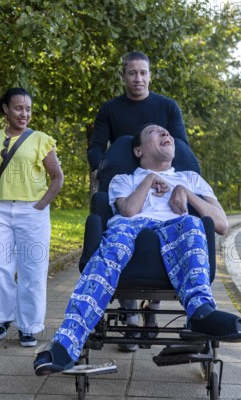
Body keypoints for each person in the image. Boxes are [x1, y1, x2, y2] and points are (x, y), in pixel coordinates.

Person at [33, 125, 241, 375]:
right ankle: (66, 342)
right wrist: (148, 179)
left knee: (193, 223)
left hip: (177, 231)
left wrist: (185, 192)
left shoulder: (191, 178)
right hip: (131, 229)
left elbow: (221, 224)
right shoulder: (124, 179)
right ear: (138, 150)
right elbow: (129, 211)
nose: (166, 135)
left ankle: (201, 312)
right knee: (115, 241)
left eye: (168, 133)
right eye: (155, 133)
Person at [87, 51, 190, 350]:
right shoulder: (109, 110)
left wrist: (179, 186)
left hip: (162, 180)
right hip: (124, 179)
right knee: (122, 236)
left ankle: (152, 311)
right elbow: (96, 146)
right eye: (132, 73)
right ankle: (131, 317)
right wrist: (100, 170)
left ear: (150, 75)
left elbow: (180, 146)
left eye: (143, 73)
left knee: (162, 235)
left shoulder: (167, 107)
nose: (138, 78)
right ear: (123, 76)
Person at [0, 88, 64, 347]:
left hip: (32, 211)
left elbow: (57, 178)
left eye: (28, 109)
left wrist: (41, 205)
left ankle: (29, 327)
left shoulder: (41, 139)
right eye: (18, 108)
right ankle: (4, 316)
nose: (24, 113)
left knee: (32, 269)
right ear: (5, 109)